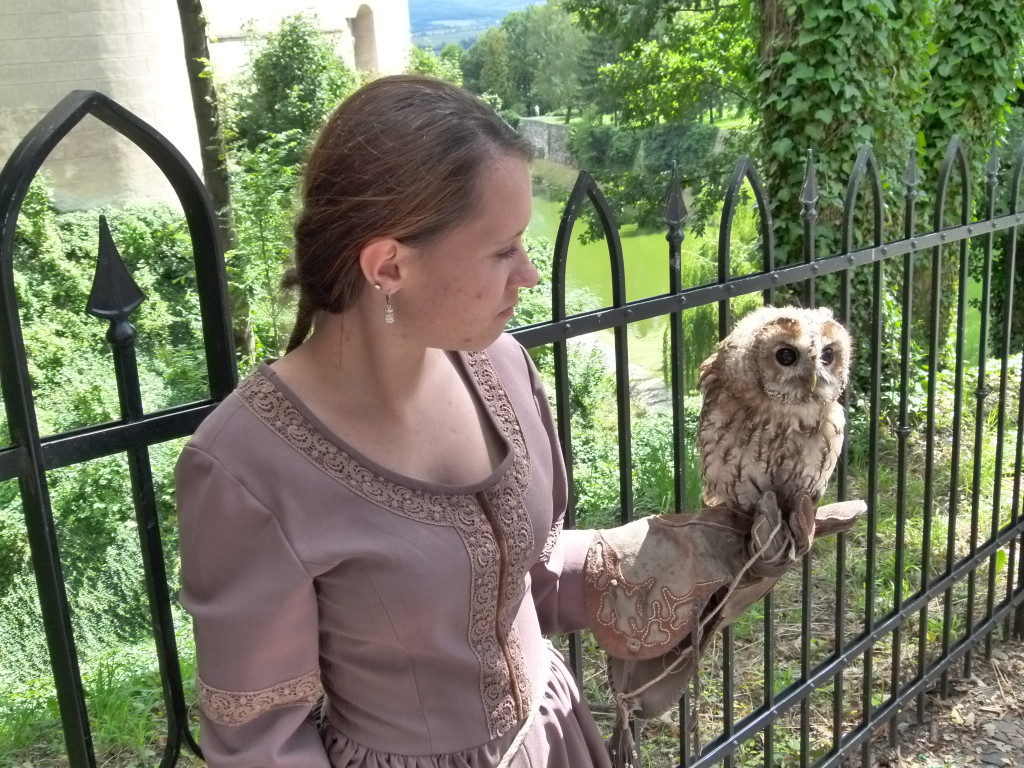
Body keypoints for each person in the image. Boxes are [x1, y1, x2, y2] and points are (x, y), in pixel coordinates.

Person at [176, 74, 612, 768]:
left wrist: (688, 555)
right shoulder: (245, 469)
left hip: (554, 742)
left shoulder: (501, 367)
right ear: (388, 266)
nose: (528, 275)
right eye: (502, 249)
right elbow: (263, 746)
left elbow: (528, 573)